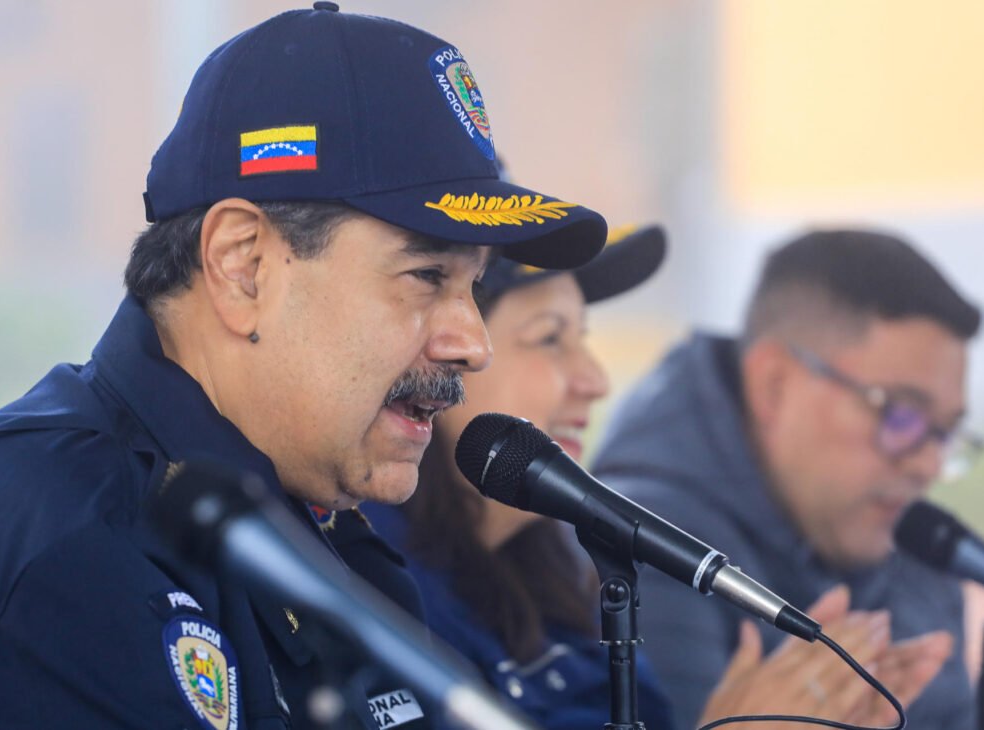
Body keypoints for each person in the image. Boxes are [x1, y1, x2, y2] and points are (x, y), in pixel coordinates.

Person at [0, 5, 612, 729]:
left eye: (475, 288)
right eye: (427, 276)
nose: (473, 344)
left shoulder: (306, 518)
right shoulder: (69, 543)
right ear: (242, 266)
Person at [362, 226, 949, 729]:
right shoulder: (368, 583)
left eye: (584, 338)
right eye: (550, 338)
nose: (595, 380)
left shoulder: (571, 572)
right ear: (452, 353)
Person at [591, 229, 981, 729]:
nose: (927, 465)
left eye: (945, 432)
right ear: (774, 384)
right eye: (900, 414)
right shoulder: (645, 547)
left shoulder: (906, 537)